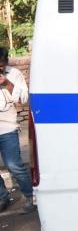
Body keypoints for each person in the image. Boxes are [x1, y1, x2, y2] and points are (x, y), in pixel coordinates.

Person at [0, 47, 34, 213]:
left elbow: (23, 98)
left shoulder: (13, 74)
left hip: (7, 127)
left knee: (14, 165)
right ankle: (2, 197)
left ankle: (30, 196)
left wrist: (7, 84)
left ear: (5, 61)